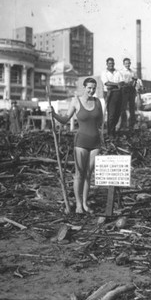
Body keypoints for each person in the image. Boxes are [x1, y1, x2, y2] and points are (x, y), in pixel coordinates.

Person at [49, 77, 104, 214]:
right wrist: (54, 114)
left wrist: (100, 137)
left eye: (94, 88)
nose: (91, 90)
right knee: (79, 173)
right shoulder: (76, 101)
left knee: (89, 174)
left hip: (95, 142)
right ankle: (78, 204)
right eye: (89, 88)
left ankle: (85, 203)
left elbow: (101, 122)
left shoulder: (98, 102)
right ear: (84, 88)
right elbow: (65, 119)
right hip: (81, 142)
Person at [100, 57, 123, 138]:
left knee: (117, 114)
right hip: (109, 94)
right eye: (109, 63)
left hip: (118, 94)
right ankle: (110, 133)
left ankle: (113, 131)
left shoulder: (118, 72)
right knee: (111, 114)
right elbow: (107, 83)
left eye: (112, 63)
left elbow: (122, 82)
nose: (111, 65)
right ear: (107, 64)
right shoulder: (104, 73)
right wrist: (117, 85)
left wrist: (114, 85)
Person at [119, 57, 139, 131]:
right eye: (126, 63)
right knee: (123, 108)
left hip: (131, 90)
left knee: (132, 108)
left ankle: (132, 125)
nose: (127, 64)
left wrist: (133, 83)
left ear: (130, 63)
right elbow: (121, 82)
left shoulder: (133, 72)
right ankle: (123, 124)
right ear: (124, 64)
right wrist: (127, 84)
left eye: (128, 63)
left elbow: (135, 80)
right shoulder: (121, 71)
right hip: (124, 90)